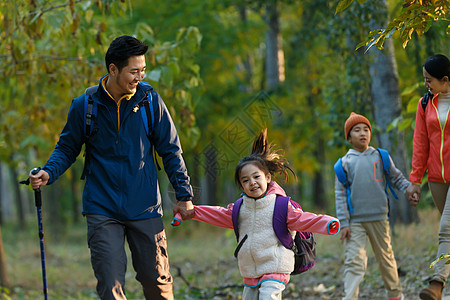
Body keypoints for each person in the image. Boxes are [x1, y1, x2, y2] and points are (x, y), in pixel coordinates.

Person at [28, 35, 195, 300]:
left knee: (158, 284)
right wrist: (49, 171)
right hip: (102, 208)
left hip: (145, 206)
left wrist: (184, 195)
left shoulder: (150, 102)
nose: (139, 77)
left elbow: (171, 150)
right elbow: (67, 148)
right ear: (113, 69)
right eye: (133, 71)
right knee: (110, 285)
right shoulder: (85, 106)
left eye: (142, 70)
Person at [187, 128, 340, 300]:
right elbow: (217, 214)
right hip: (250, 268)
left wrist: (328, 223)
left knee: (268, 297)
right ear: (242, 186)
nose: (252, 182)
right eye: (245, 180)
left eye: (256, 177)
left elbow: (304, 219)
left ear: (267, 177)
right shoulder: (239, 208)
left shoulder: (281, 205)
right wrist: (193, 211)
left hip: (276, 265)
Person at [335, 112, 416, 300]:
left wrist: (409, 189)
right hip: (355, 222)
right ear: (349, 137)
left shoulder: (381, 156)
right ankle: (350, 297)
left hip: (380, 217)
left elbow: (397, 178)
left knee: (386, 259)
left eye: (366, 129)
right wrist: (344, 223)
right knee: (354, 261)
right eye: (357, 130)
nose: (362, 133)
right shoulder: (343, 164)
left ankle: (395, 295)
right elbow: (339, 196)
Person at [406, 54, 450, 300]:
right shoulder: (425, 104)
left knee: (446, 229)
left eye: (429, 80)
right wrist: (415, 180)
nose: (426, 84)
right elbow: (420, 144)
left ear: (445, 80)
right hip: (436, 178)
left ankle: (437, 283)